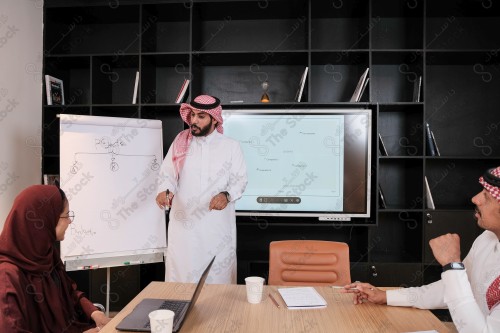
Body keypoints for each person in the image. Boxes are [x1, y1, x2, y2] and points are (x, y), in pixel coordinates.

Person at [341, 166, 500, 332]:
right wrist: (384, 296)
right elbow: (455, 287)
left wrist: (452, 265)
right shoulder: (487, 239)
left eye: (487, 197)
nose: (475, 199)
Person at [155, 95, 247, 284]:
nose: (194, 121)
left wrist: (226, 195)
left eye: (201, 117)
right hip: (184, 226)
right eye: (193, 115)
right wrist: (165, 190)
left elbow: (240, 180)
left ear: (215, 119)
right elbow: (167, 174)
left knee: (217, 281)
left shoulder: (230, 146)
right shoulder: (181, 142)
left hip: (216, 228)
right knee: (181, 279)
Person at [0, 185, 111, 333]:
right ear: (44, 220)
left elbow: (69, 293)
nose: (70, 222)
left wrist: (94, 312)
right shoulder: (7, 276)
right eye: (66, 215)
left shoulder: (46, 253)